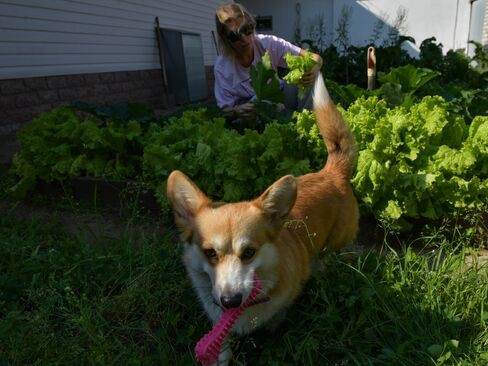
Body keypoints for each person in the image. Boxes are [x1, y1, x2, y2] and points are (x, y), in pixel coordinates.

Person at [214, 3, 323, 121]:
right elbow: (224, 110)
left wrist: (314, 69)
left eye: (247, 29)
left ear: (252, 25)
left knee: (312, 74)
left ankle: (305, 124)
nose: (244, 39)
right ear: (225, 39)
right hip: (252, 111)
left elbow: (315, 58)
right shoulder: (222, 67)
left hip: (279, 97)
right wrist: (236, 111)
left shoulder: (268, 43)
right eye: (234, 36)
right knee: (259, 105)